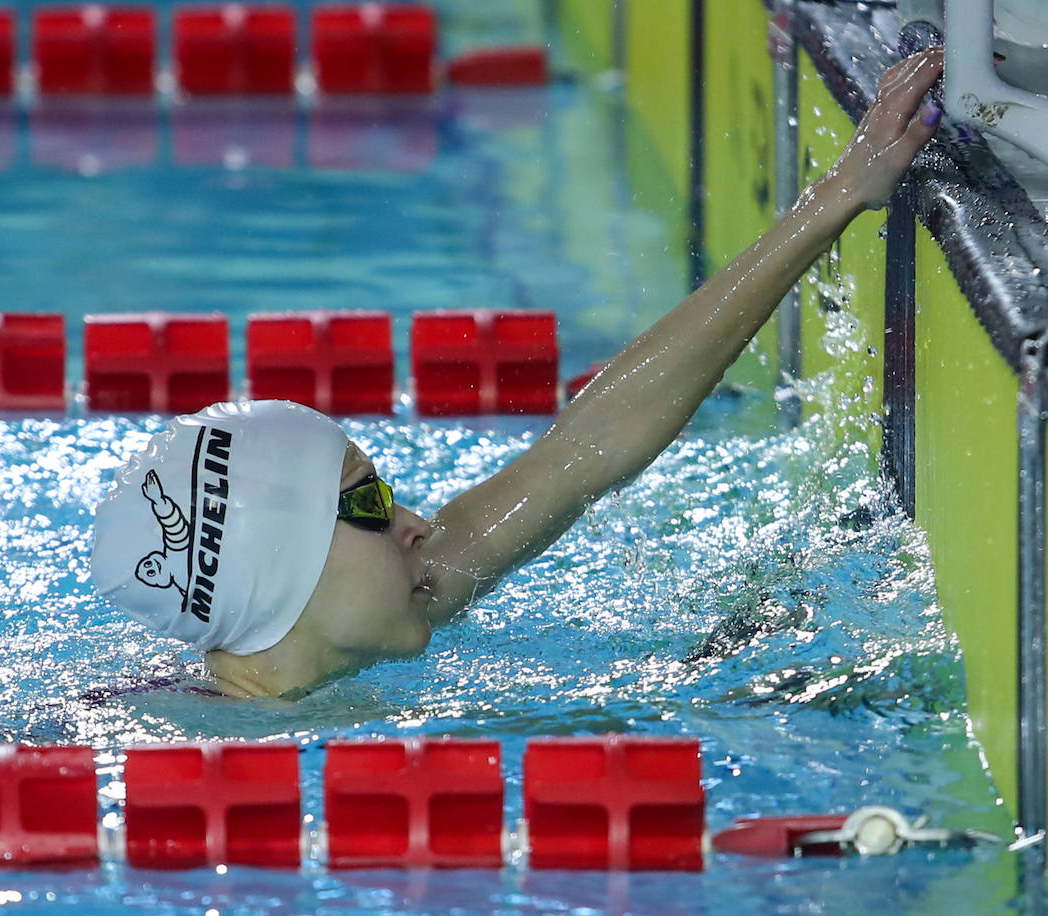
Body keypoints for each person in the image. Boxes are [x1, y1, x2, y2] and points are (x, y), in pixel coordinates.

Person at [91, 50, 945, 699]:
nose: (418, 525)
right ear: (277, 568)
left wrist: (838, 195)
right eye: (367, 506)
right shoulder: (181, 755)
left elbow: (581, 452)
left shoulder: (382, 600)